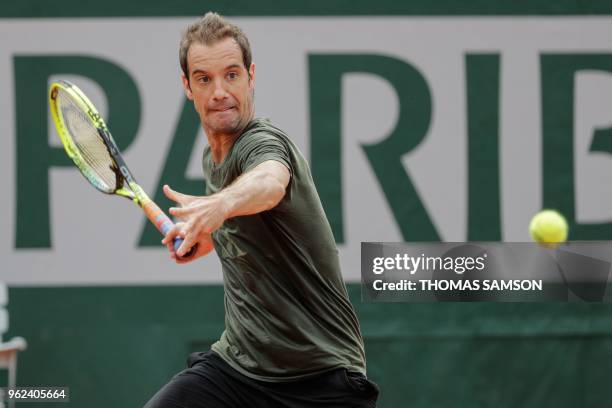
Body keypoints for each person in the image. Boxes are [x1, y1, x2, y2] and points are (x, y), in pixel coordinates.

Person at [145, 12, 379, 408]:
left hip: (320, 378)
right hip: (239, 368)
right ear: (188, 86)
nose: (219, 91)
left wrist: (219, 206)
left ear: (251, 76)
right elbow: (251, 227)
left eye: (231, 75)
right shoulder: (214, 158)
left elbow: (269, 182)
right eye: (204, 79)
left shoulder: (263, 143)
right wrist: (209, 235)